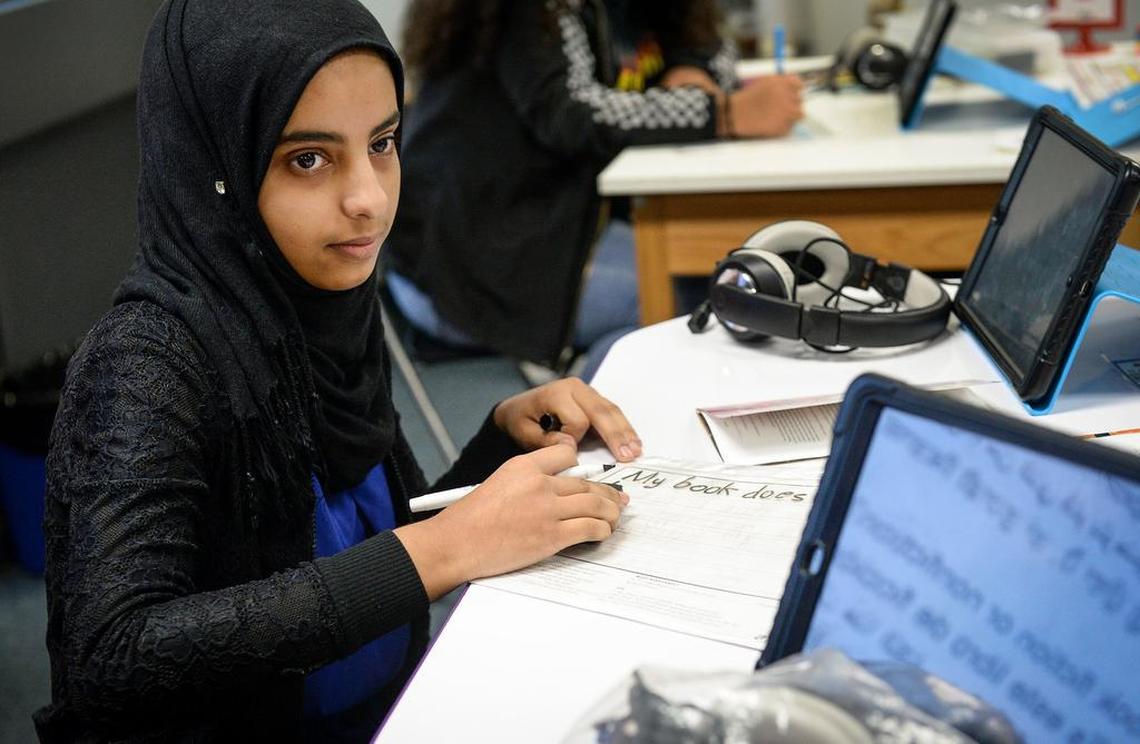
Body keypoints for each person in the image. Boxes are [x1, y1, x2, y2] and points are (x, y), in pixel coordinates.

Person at [34, 0, 642, 741]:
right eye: (308, 159)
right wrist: (442, 550)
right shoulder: (146, 364)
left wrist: (497, 448)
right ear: (216, 167)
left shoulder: (327, 304)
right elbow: (114, 657)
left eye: (382, 142)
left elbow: (369, 542)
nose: (369, 199)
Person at [383, 0, 804, 378]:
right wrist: (724, 113)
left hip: (558, 223)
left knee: (712, 282)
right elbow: (570, 114)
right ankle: (583, 435)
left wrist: (692, 67)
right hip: (470, 254)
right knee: (696, 301)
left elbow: (714, 44)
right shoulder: (530, 11)